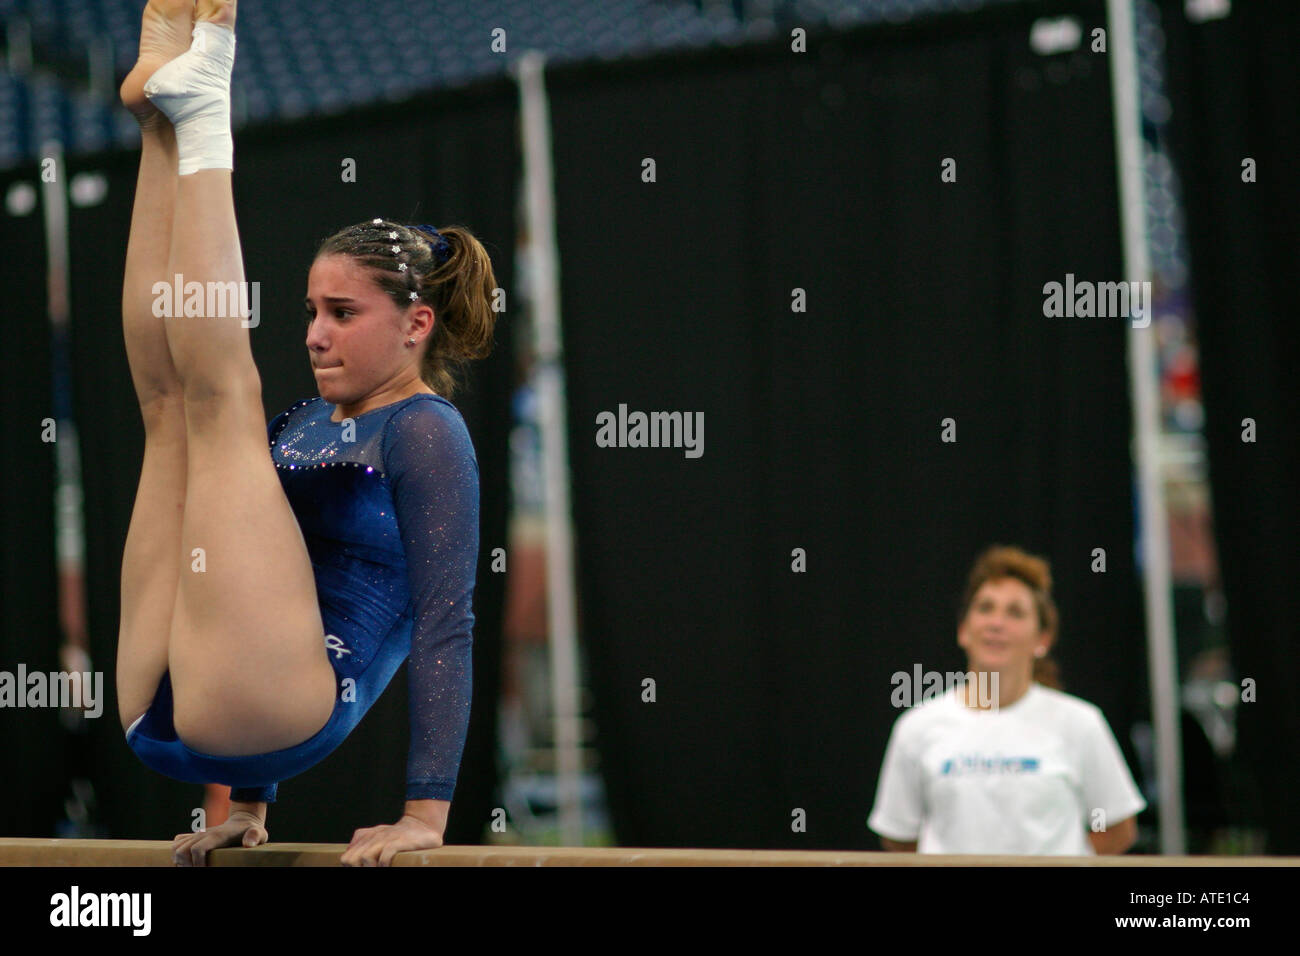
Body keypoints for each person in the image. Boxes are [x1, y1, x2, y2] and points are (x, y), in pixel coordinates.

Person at [114, 0, 496, 866]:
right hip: (171, 713)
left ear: (417, 324)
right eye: (310, 311)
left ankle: (206, 110)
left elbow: (446, 626)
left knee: (216, 406)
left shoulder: (425, 432)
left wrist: (425, 815)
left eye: (342, 313)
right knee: (169, 409)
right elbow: (257, 598)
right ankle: (161, 130)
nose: (315, 334)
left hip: (291, 711)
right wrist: (251, 804)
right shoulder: (302, 424)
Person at [868, 545, 1146, 855]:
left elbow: (1117, 828)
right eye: (985, 608)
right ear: (963, 630)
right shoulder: (917, 728)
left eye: (1015, 612)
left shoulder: (1080, 723)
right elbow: (899, 837)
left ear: (1043, 639)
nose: (996, 623)